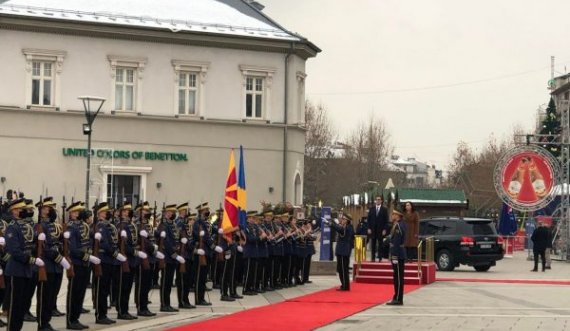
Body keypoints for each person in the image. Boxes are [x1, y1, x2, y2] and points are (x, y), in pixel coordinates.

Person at [5, 198, 41, 331]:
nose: (23, 211)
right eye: (21, 209)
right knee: (14, 306)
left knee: (22, 305)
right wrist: (32, 260)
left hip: (27, 270)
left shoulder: (27, 226)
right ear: (14, 211)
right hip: (16, 271)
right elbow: (15, 251)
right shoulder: (12, 227)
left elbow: (31, 246)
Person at [66, 201, 100, 329]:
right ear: (72, 214)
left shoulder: (84, 226)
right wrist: (88, 256)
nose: (80, 213)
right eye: (77, 211)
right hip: (76, 264)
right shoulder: (71, 227)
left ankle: (76, 318)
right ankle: (71, 320)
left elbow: (88, 243)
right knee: (74, 293)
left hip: (85, 264)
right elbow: (73, 250)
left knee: (80, 293)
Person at [328, 213, 354, 291]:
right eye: (342, 219)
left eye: (343, 219)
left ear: (347, 221)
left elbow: (340, 230)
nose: (342, 220)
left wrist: (331, 224)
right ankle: (344, 285)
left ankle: (345, 286)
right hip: (342, 251)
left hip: (343, 251)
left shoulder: (348, 228)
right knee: (341, 268)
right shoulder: (346, 227)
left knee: (343, 269)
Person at [386, 208, 406, 306]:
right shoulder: (398, 224)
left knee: (398, 277)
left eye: (393, 214)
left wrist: (394, 256)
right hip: (398, 253)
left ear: (398, 215)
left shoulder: (398, 226)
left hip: (398, 254)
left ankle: (398, 298)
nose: (392, 215)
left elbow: (397, 242)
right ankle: (397, 296)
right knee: (397, 276)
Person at [367, 196, 388, 262]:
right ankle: (373, 258)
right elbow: (368, 219)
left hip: (381, 230)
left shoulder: (384, 209)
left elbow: (386, 220)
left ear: (381, 201)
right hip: (373, 229)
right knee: (373, 244)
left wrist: (384, 229)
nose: (378, 201)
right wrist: (369, 228)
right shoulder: (372, 209)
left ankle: (380, 258)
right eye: (376, 200)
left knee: (380, 244)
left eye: (379, 200)